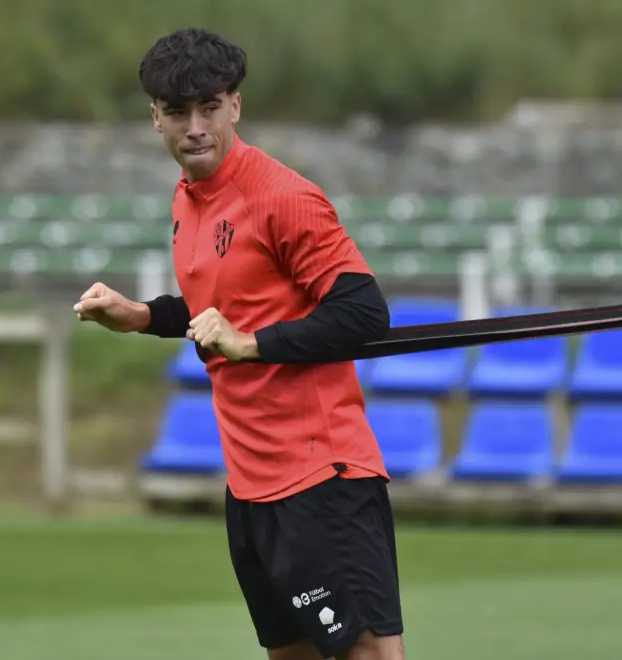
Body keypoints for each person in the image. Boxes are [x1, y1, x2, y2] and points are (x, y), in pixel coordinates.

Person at [74, 28, 405, 660]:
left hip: (321, 475)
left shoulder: (283, 198)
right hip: (251, 487)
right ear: (155, 117)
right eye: (177, 112)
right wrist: (142, 315)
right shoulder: (189, 198)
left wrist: (251, 344)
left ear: (235, 106)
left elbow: (364, 311)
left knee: (364, 653)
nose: (194, 127)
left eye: (208, 108)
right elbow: (219, 312)